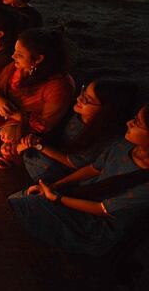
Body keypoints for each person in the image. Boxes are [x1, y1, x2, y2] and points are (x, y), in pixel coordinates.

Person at [8, 102, 149, 256]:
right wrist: (55, 186)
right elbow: (94, 169)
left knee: (24, 205)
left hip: (95, 225)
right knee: (27, 196)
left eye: (136, 123)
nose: (129, 123)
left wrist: (57, 198)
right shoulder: (124, 145)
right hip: (83, 193)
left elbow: (102, 208)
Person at [0, 27, 75, 168]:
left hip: (26, 123)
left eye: (19, 54)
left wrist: (17, 117)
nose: (13, 56)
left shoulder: (59, 86)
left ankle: (8, 148)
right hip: (6, 108)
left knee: (10, 135)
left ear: (39, 59)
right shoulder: (18, 66)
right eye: (15, 51)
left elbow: (44, 126)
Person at [18, 80, 137, 183]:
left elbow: (74, 163)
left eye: (87, 99)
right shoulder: (76, 113)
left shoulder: (104, 136)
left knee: (41, 163)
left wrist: (39, 146)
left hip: (70, 169)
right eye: (83, 93)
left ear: (106, 111)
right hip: (59, 150)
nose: (79, 98)